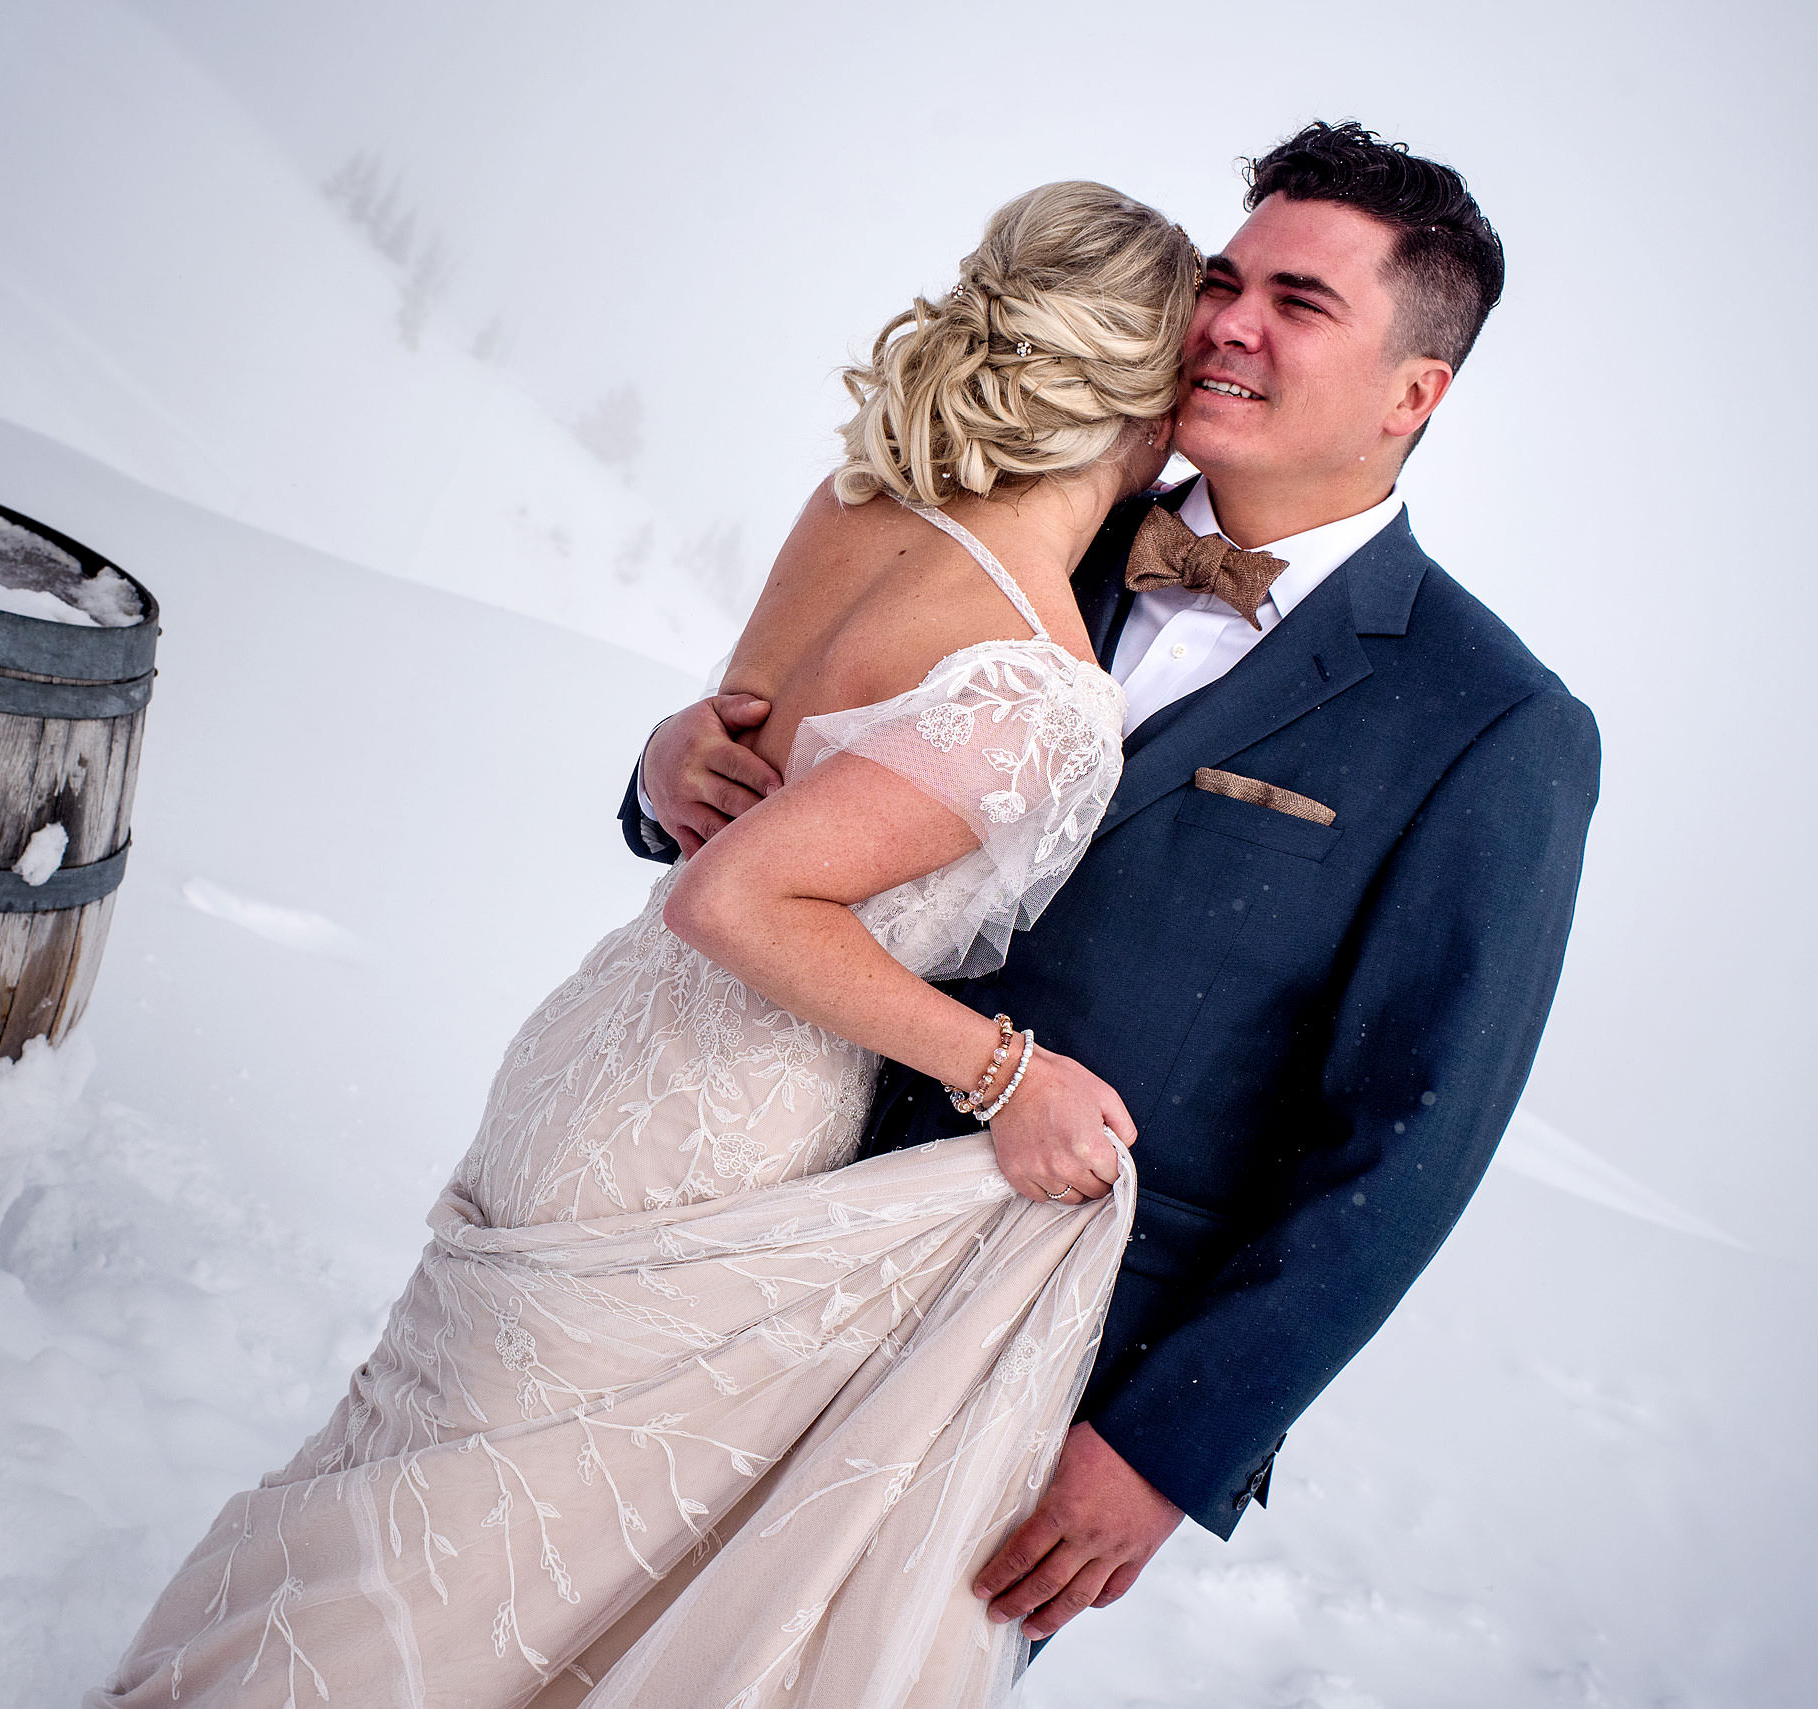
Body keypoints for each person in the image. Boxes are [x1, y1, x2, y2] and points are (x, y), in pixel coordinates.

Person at [93, 180, 1201, 1707]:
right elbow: (735, 896)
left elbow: (722, 776)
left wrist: (673, 750)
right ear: (1152, 415)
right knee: (482, 1547)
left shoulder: (860, 506)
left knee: (421, 1483)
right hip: (710, 1125)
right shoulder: (1044, 687)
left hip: (593, 1050)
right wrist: (1003, 1070)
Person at [624, 121, 1601, 1649]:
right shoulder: (1039, 528)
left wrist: (1168, 1441)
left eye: (1301, 300)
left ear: (1419, 391)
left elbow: (1404, 1146)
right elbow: (788, 781)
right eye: (1225, 278)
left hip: (1049, 1332)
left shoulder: (1494, 727)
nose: (1226, 322)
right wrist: (674, 766)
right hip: (751, 1203)